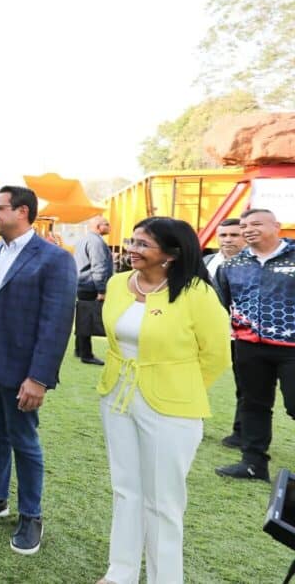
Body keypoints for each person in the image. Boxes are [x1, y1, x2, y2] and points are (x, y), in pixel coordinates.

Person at [95, 217, 229, 584]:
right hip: (117, 397)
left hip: (173, 408)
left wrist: (179, 385)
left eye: (142, 244)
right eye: (131, 241)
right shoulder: (118, 283)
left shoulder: (197, 294)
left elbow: (216, 354)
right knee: (126, 490)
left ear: (170, 255)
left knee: (164, 502)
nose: (131, 250)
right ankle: (119, 573)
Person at [0, 186, 76, 555]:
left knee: (23, 440)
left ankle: (31, 514)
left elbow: (56, 324)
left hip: (22, 368)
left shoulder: (54, 259)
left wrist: (38, 378)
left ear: (22, 212)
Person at [215, 208, 295, 481]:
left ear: (277, 226)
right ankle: (253, 464)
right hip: (249, 346)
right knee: (253, 404)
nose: (248, 229)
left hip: (292, 349)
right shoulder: (232, 265)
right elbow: (220, 304)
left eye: (256, 224)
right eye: (245, 225)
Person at [203, 217, 246, 448]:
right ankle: (191, 420)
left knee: (247, 387)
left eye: (234, 235)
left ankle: (242, 434)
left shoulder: (253, 266)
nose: (227, 239)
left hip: (241, 336)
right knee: (195, 379)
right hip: (205, 335)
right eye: (223, 235)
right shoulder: (206, 262)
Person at [74, 215, 113, 366]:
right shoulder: (96, 242)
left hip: (83, 284)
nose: (109, 227)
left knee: (82, 317)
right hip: (91, 285)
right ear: (98, 226)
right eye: (107, 224)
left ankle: (79, 349)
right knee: (88, 321)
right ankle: (86, 354)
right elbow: (99, 267)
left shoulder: (84, 239)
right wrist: (102, 290)